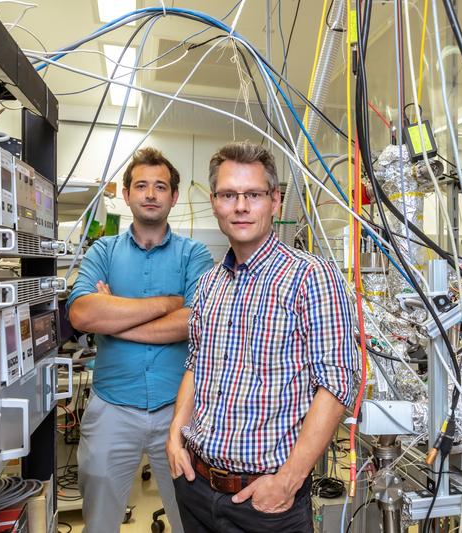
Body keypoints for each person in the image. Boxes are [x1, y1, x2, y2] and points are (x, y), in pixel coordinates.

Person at [167, 141, 359, 533]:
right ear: (214, 202)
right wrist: (175, 437)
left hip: (266, 500)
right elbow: (195, 365)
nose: (240, 206)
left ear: (274, 200)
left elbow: (338, 384)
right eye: (228, 195)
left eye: (253, 194)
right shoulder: (208, 285)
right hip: (197, 486)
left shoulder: (311, 277)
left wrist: (288, 480)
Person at [67, 147, 213, 533]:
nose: (150, 193)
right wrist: (167, 303)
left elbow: (195, 321)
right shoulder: (103, 250)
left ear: (173, 197)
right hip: (112, 407)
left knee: (191, 520)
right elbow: (82, 314)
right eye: (142, 185)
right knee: (98, 522)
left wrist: (113, 316)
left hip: (179, 411)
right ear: (128, 194)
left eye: (160, 186)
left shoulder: (194, 254)